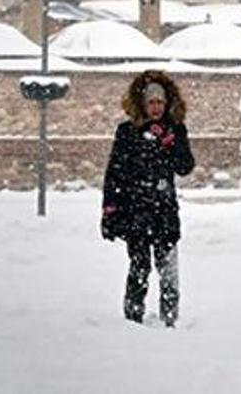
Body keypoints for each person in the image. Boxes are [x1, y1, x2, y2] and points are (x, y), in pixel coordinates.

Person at [101, 70, 196, 327]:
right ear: (143, 104)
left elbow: (185, 166)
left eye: (160, 103)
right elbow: (114, 173)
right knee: (139, 267)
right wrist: (109, 211)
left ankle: (169, 318)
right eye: (151, 102)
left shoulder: (175, 130)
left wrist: (171, 144)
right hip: (136, 211)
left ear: (167, 104)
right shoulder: (127, 132)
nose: (156, 108)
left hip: (164, 211)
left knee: (168, 270)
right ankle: (133, 318)